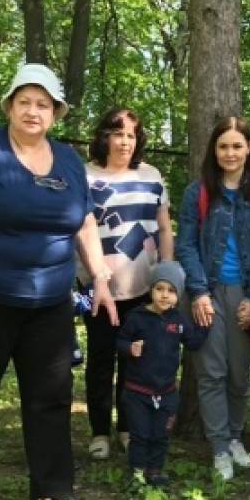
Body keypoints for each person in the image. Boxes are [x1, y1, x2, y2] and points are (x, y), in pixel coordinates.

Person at [0, 63, 117, 500]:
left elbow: (84, 221)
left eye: (43, 104)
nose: (33, 111)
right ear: (10, 107)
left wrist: (99, 276)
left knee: (51, 395)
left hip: (50, 300)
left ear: (55, 113)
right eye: (25, 102)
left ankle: (51, 494)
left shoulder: (70, 162)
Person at [176, 116, 250, 481]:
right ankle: (220, 446)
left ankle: (235, 437)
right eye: (223, 146)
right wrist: (198, 292)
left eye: (237, 145)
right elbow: (186, 243)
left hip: (247, 293)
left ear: (249, 148)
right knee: (211, 372)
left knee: (238, 374)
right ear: (214, 150)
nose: (230, 153)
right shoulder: (198, 192)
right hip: (207, 290)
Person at [81, 108, 174, 460]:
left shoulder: (151, 176)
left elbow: (164, 228)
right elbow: (81, 230)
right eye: (118, 134)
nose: (124, 141)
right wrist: (94, 276)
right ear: (104, 136)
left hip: (143, 289)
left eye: (131, 135)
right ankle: (100, 431)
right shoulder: (86, 176)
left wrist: (165, 275)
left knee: (136, 362)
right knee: (101, 360)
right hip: (101, 288)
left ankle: (127, 428)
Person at [115, 262, 208, 488]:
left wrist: (206, 325)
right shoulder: (136, 317)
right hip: (138, 391)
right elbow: (120, 341)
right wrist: (129, 348)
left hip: (166, 392)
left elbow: (193, 342)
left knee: (161, 435)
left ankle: (155, 471)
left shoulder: (178, 320)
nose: (165, 295)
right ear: (151, 290)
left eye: (171, 291)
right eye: (160, 289)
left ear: (178, 295)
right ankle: (137, 472)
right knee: (140, 435)